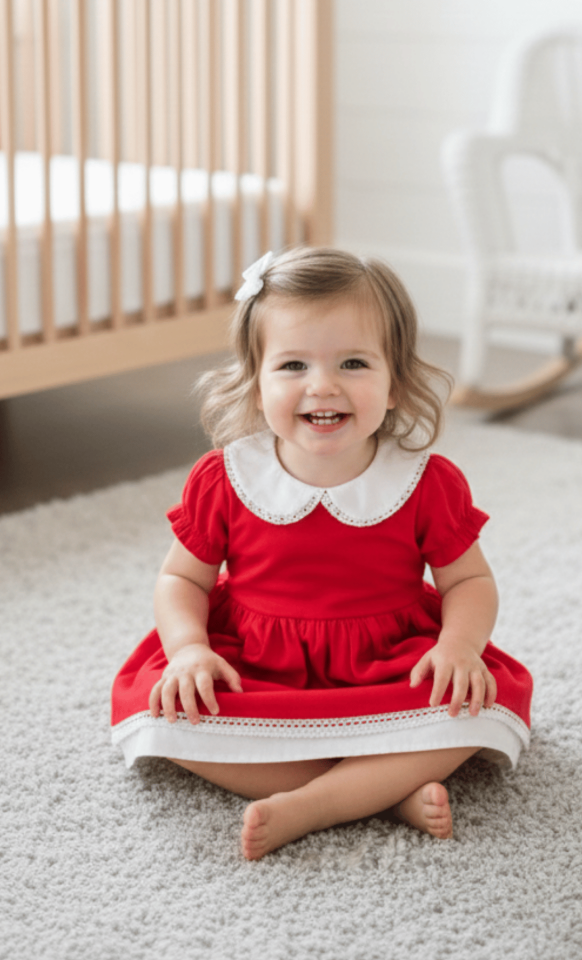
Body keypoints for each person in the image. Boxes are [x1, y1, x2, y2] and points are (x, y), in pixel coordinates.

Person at [111, 247, 533, 861]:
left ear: (396, 385)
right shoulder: (225, 478)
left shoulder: (425, 481)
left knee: (480, 704)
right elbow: (182, 579)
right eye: (293, 365)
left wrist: (458, 647)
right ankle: (382, 791)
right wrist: (189, 650)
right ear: (256, 385)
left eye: (354, 362)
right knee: (166, 718)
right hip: (257, 661)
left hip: (389, 659)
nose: (323, 385)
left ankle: (315, 803)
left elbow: (468, 581)